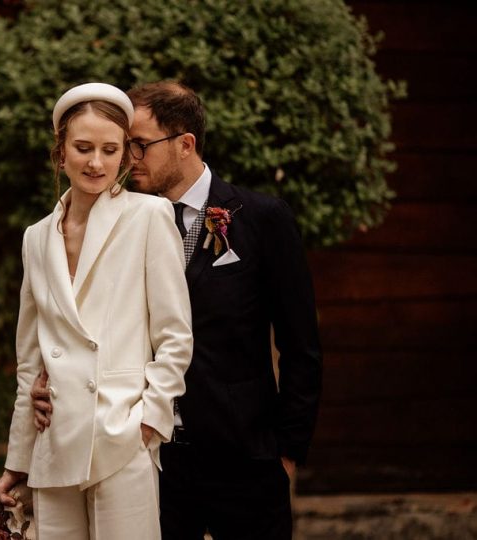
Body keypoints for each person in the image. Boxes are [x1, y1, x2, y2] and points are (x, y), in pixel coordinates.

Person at [32, 81, 323, 540]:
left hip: (244, 457)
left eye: (138, 146)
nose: (127, 159)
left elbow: (301, 345)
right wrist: (51, 386)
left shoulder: (262, 219)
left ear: (185, 144)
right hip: (153, 457)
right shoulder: (112, 224)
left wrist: (286, 450)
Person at [0, 82, 193, 540]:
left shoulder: (149, 216)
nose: (95, 162)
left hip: (121, 435)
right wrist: (18, 458)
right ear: (60, 153)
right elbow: (30, 359)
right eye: (83, 148)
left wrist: (148, 421)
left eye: (110, 149)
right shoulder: (36, 238)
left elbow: (175, 336)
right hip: (55, 440)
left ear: (125, 156)